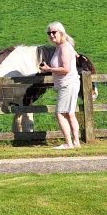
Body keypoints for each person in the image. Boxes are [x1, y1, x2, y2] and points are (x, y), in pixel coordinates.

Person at [38, 21, 81, 149]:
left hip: (67, 84)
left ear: (61, 32)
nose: (51, 35)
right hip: (70, 83)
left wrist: (49, 69)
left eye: (53, 32)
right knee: (70, 114)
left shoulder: (63, 47)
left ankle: (68, 143)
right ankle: (76, 142)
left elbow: (66, 69)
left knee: (60, 113)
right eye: (49, 33)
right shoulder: (64, 46)